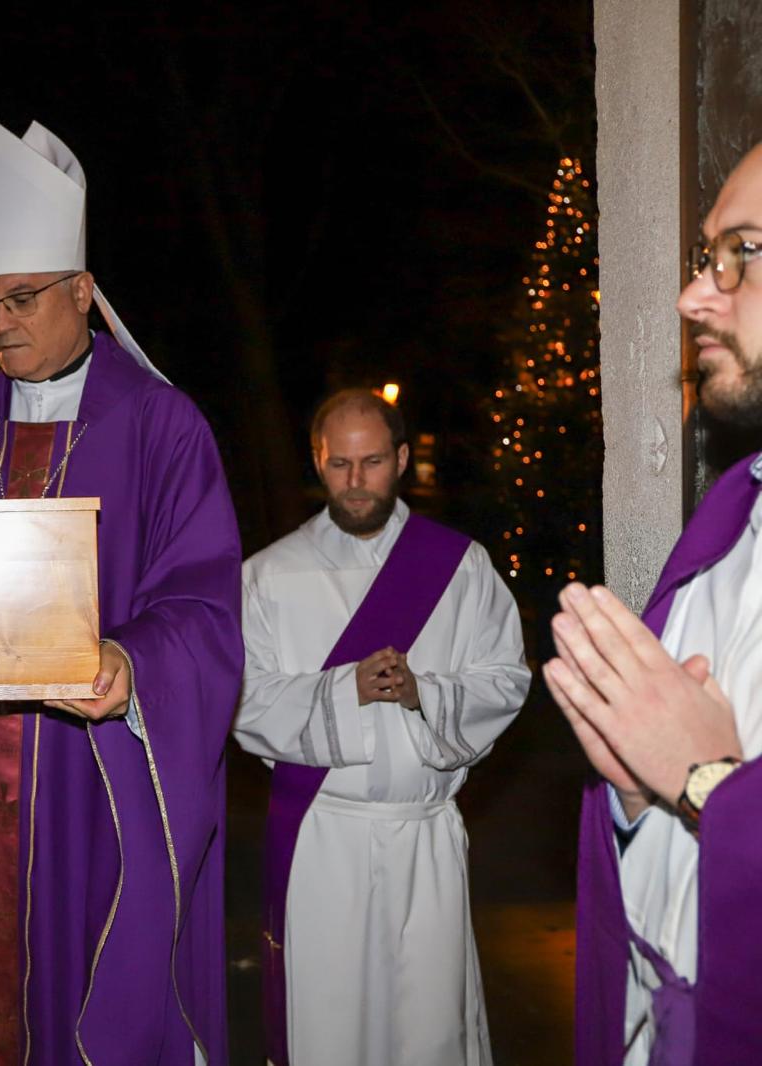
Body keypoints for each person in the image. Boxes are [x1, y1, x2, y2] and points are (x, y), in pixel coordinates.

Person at [0, 117, 242, 1064]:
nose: (2, 323)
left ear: (84, 291)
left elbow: (204, 608)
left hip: (89, 787)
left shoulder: (163, 427)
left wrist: (131, 664)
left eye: (22, 298)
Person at [234, 389, 529, 1066]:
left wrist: (426, 694)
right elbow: (244, 699)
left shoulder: (460, 567)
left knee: (431, 1030)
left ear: (399, 459)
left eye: (371, 462)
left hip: (424, 838)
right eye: (339, 464)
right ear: (318, 460)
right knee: (331, 1027)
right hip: (324, 842)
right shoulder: (269, 576)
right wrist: (345, 692)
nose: (356, 481)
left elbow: (505, 677)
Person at [550, 143, 762, 1065]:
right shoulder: (727, 530)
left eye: (742, 252)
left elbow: (710, 781)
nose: (692, 297)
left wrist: (709, 784)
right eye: (704, 256)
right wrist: (639, 799)